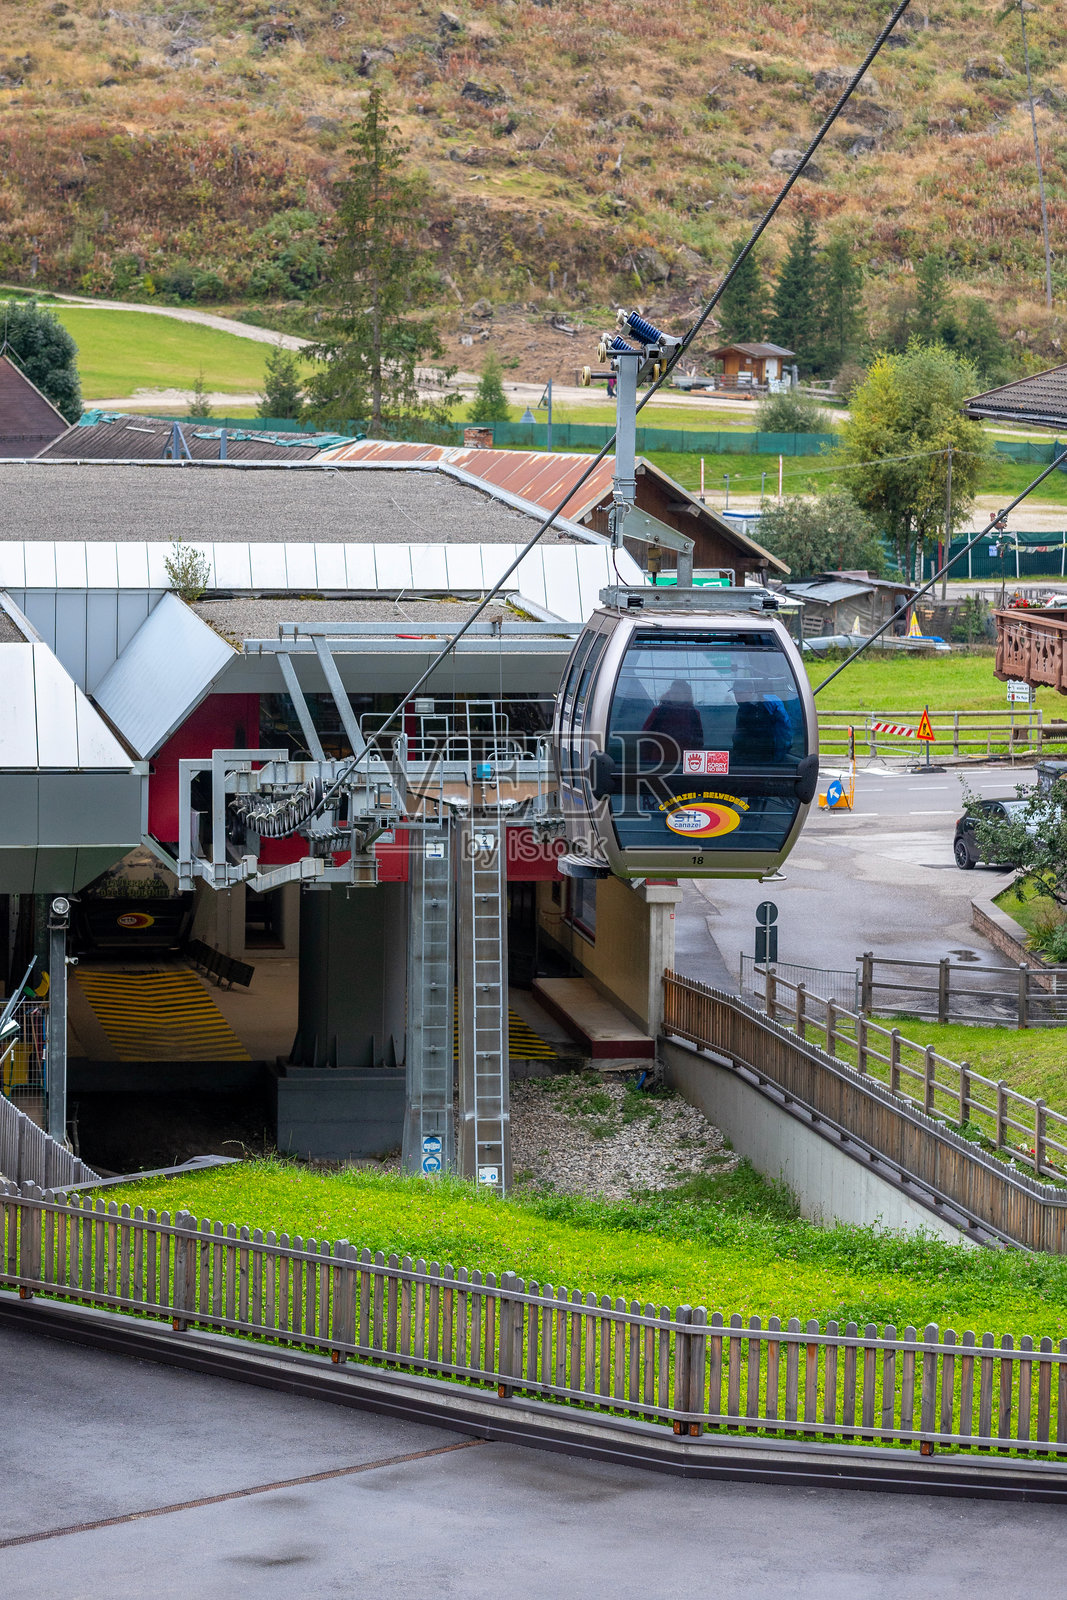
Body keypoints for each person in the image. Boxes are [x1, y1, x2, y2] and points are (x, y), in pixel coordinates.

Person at [642, 679, 703, 756]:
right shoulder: (658, 711)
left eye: (678, 693)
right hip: (659, 760)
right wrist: (646, 762)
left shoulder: (693, 714)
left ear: (686, 695)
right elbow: (646, 736)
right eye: (673, 692)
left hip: (684, 761)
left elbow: (698, 741)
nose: (674, 695)